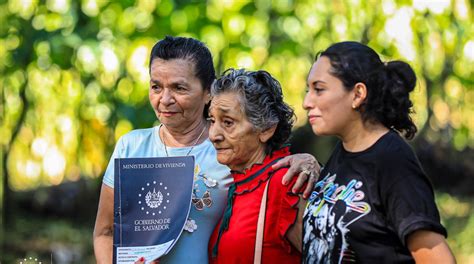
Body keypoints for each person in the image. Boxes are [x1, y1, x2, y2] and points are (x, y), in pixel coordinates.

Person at [93, 36, 319, 263]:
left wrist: (310, 162)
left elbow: (267, 175)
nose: (165, 99)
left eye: (179, 88)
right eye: (156, 87)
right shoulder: (130, 147)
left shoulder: (228, 151)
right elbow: (104, 232)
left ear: (207, 92)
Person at [302, 41, 455, 263]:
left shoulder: (393, 161)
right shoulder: (344, 151)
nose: (307, 102)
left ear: (357, 94)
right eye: (309, 90)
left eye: (319, 89)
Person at [208, 69, 305, 263]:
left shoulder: (284, 182)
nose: (213, 135)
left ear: (267, 129)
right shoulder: (236, 184)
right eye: (212, 120)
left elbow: (324, 256)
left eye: (227, 122)